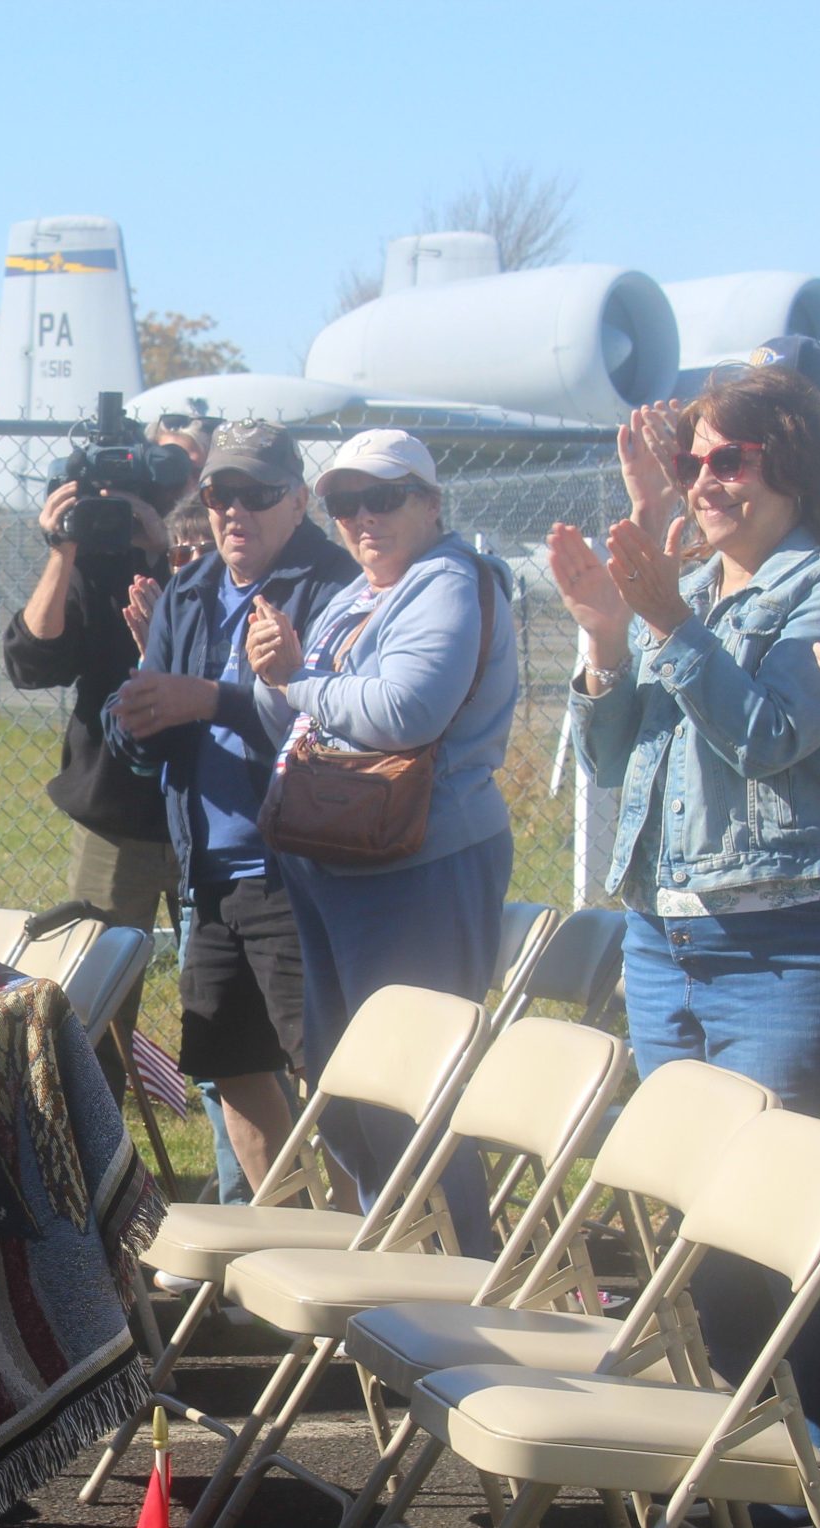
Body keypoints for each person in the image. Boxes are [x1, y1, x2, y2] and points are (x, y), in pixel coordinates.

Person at [554, 365, 820, 1528]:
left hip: (806, 945)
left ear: (791, 467)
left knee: (791, 1206)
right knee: (702, 1203)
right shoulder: (697, 583)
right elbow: (621, 759)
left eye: (729, 461)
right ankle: (736, 1430)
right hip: (671, 939)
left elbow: (767, 739)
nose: (704, 481)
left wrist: (665, 617)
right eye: (694, 460)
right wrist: (606, 635)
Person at [242, 428, 517, 1250]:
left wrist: (299, 680)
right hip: (336, 862)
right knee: (346, 1093)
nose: (363, 517)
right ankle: (393, 1273)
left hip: (419, 866)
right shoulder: (357, 593)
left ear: (431, 504)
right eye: (344, 502)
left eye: (384, 497)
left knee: (411, 1097)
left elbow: (406, 710)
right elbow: (288, 716)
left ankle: (462, 1287)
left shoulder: (447, 581)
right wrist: (273, 676)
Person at [106, 422, 359, 1196]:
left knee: (330, 1076)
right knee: (231, 1066)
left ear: (299, 499)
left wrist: (210, 699)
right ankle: (297, 1243)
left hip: (299, 872)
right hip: (209, 874)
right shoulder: (190, 589)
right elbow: (141, 724)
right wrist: (138, 722)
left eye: (257, 493)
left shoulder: (334, 584)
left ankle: (368, 1256)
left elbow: (335, 719)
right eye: (219, 493)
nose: (234, 511)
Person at [1, 415, 194, 1089]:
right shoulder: (96, 561)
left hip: (213, 811)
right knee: (97, 1002)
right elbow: (32, 660)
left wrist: (168, 551)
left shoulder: (221, 548)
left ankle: (240, 1175)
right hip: (119, 814)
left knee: (224, 1002)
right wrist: (63, 550)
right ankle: (96, 1166)